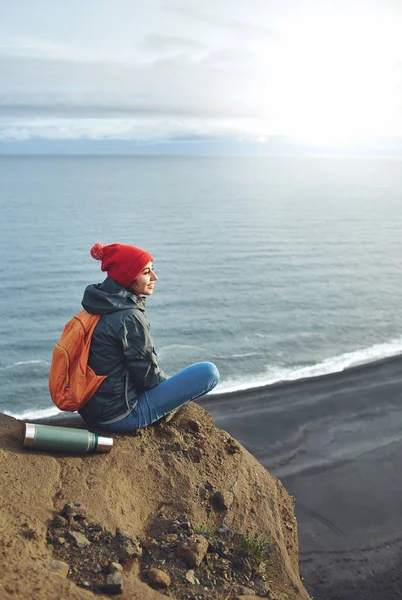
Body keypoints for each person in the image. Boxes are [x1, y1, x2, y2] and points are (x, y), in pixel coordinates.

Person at [78, 242, 220, 433]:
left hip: (92, 410)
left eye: (152, 270)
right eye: (146, 272)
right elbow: (148, 378)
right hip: (119, 416)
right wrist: (171, 387)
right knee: (209, 372)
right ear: (128, 277)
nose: (155, 277)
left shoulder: (97, 306)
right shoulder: (128, 317)